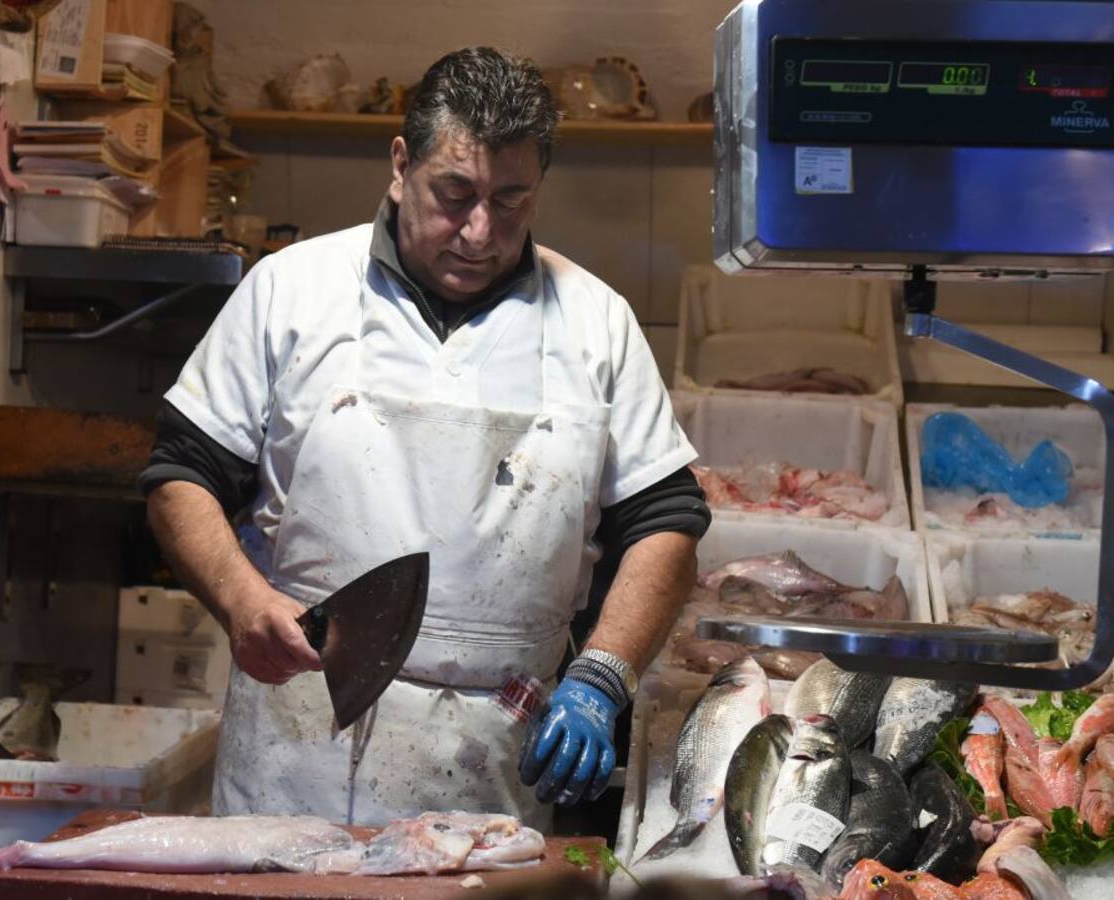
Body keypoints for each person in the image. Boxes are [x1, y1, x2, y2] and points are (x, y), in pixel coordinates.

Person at [140, 46, 710, 829]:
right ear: (401, 165)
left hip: (496, 756)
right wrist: (242, 602)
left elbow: (665, 520)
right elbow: (181, 475)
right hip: (298, 740)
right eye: (455, 194)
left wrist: (602, 674)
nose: (479, 231)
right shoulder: (292, 289)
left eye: (510, 201)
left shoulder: (596, 323)